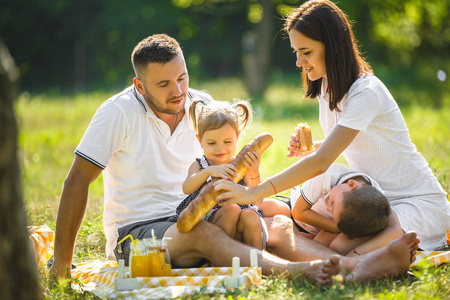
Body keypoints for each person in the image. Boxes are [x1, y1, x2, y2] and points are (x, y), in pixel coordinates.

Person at [50, 32, 420, 285]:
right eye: (163, 85)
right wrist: (62, 268)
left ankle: (353, 267)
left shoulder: (201, 105)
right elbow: (77, 180)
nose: (179, 91)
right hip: (140, 234)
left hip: (202, 210)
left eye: (182, 77)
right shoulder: (117, 113)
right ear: (139, 85)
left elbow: (232, 167)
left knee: (267, 221)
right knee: (204, 233)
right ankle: (304, 272)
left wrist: (251, 180)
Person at [213, 0, 450, 252]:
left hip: (414, 203)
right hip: (366, 201)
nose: (298, 61)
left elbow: (322, 162)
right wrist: (313, 147)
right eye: (296, 52)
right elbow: (352, 143)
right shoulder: (326, 89)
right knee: (292, 227)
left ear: (334, 47)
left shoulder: (366, 92)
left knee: (339, 245)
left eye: (306, 51)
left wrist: (255, 192)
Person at [169, 99, 268, 250]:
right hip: (211, 218)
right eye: (212, 143)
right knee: (231, 209)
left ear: (237, 137)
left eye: (227, 142)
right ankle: (220, 255)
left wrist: (254, 171)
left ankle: (256, 261)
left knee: (251, 215)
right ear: (200, 140)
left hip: (242, 215)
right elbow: (186, 188)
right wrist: (208, 172)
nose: (220, 148)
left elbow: (258, 199)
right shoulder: (200, 165)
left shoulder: (242, 165)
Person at [290, 163, 401, 256]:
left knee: (325, 246)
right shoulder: (326, 175)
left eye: (332, 206)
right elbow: (298, 212)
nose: (329, 207)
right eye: (333, 203)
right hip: (298, 211)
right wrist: (337, 228)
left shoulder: (373, 204)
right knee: (273, 207)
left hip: (326, 227)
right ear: (351, 184)